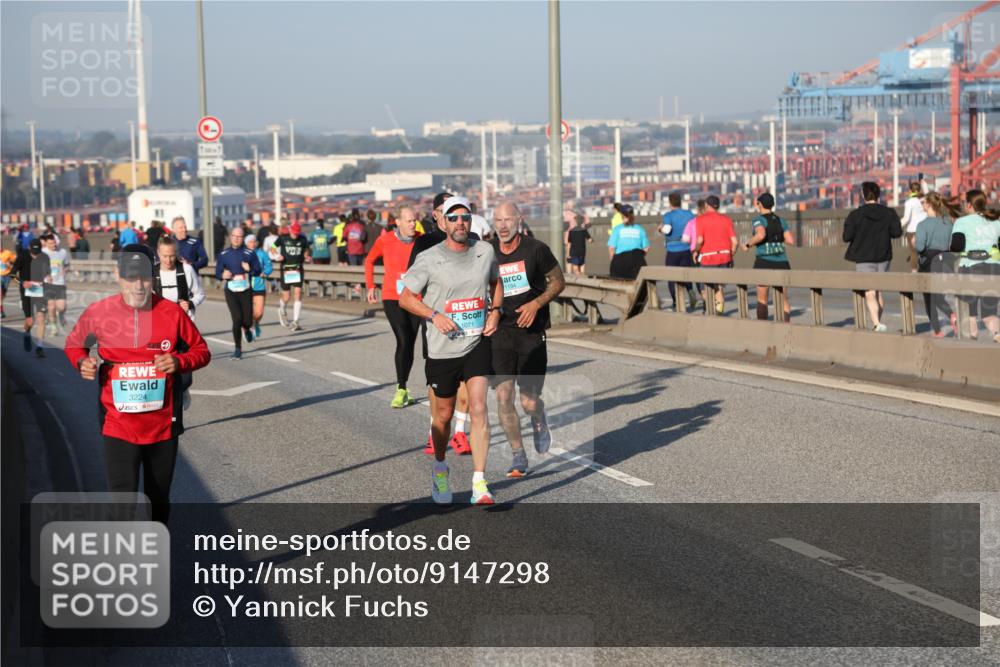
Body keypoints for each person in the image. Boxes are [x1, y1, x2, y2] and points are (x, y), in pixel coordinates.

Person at [64, 244, 211, 524]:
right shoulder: (99, 312)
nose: (138, 285)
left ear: (153, 276)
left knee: (158, 501)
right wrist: (82, 362)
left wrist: (179, 362)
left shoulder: (172, 313)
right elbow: (74, 345)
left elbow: (201, 351)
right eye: (131, 277)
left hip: (162, 426)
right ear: (117, 275)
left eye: (144, 277)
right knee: (123, 503)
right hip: (118, 424)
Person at [400, 196, 503, 505]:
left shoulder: (485, 251)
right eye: (454, 218)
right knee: (443, 417)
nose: (461, 223)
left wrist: (496, 310)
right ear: (443, 222)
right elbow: (406, 298)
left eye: (466, 217)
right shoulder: (430, 258)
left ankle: (479, 483)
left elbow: (496, 282)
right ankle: (441, 467)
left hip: (476, 342)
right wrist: (434, 315)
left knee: (479, 407)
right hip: (442, 348)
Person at [491, 201, 565, 477]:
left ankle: (538, 417)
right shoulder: (486, 252)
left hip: (531, 333)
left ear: (519, 220)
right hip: (500, 332)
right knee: (503, 395)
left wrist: (536, 304)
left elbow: (558, 282)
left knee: (529, 401)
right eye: (498, 220)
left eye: (508, 219)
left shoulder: (536, 249)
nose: (503, 225)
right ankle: (518, 455)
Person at [407, 191, 474, 456]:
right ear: (438, 215)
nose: (458, 220)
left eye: (462, 215)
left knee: (468, 380)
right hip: (437, 322)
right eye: (450, 213)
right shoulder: (425, 243)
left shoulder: (475, 241)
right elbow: (412, 282)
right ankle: (434, 432)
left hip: (469, 320)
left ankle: (459, 432)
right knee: (439, 380)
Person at [366, 206, 423, 408]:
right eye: (408, 220)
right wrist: (371, 286)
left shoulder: (421, 239)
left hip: (416, 298)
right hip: (392, 296)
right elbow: (370, 259)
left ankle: (404, 387)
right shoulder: (385, 240)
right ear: (397, 222)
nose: (412, 224)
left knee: (410, 343)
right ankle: (400, 389)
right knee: (403, 338)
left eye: (414, 220)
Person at [843, 181, 903, 332]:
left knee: (869, 292)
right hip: (884, 256)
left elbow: (846, 236)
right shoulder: (889, 213)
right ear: (878, 195)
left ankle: (877, 324)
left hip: (863, 257)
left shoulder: (855, 215)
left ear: (863, 195)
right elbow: (897, 233)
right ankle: (878, 323)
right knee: (878, 291)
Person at [950, 189, 1000, 342]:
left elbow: (956, 247)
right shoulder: (996, 222)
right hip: (994, 269)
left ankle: (972, 344)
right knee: (988, 314)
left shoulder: (962, 222)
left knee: (970, 313)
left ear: (969, 205)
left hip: (970, 268)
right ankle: (998, 334)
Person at [741, 193, 795, 321]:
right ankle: (786, 326)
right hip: (782, 262)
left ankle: (763, 328)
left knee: (762, 299)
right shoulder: (781, 220)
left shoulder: (759, 220)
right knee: (783, 299)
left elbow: (760, 235)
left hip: (764, 262)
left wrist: (747, 245)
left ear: (759, 204)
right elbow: (790, 240)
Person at [915, 192, 959, 337]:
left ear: (928, 205)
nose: (922, 205)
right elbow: (952, 244)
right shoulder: (948, 223)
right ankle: (952, 315)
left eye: (923, 202)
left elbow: (920, 248)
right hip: (946, 263)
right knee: (939, 296)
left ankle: (938, 331)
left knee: (929, 300)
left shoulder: (922, 225)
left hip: (928, 265)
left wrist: (914, 242)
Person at [215, 227, 262, 359]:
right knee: (237, 319)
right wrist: (223, 275)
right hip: (231, 291)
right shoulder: (224, 254)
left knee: (246, 321)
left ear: (243, 238)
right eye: (234, 236)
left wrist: (249, 269)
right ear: (230, 237)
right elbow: (217, 273)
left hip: (246, 289)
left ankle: (247, 328)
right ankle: (238, 348)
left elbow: (258, 270)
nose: (236, 239)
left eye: (239, 236)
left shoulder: (249, 253)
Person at [694, 196, 738, 315]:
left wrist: (695, 251)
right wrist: (731, 254)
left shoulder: (700, 219)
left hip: (708, 258)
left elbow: (700, 241)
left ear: (707, 206)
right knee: (718, 287)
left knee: (704, 289)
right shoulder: (727, 219)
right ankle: (719, 312)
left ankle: (711, 312)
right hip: (725, 257)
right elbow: (735, 242)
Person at [12, 239, 49, 357]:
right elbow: (13, 274)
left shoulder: (44, 257)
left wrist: (48, 279)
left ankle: (40, 347)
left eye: (38, 251)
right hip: (26, 292)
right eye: (34, 251)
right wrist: (22, 283)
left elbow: (47, 273)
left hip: (40, 291)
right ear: (29, 248)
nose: (36, 254)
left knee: (41, 318)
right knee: (30, 321)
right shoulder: (22, 257)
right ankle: (27, 333)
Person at [154, 236, 205, 319]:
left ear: (176, 253)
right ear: (158, 253)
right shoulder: (152, 272)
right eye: (165, 256)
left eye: (172, 256)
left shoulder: (187, 270)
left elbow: (200, 294)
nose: (168, 260)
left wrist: (190, 304)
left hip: (184, 321)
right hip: (161, 321)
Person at [660, 192, 696, 310]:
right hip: (686, 249)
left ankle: (676, 301)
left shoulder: (668, 216)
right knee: (686, 274)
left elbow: (667, 229)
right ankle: (690, 291)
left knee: (671, 277)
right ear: (680, 202)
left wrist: (660, 228)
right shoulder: (689, 214)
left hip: (673, 249)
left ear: (670, 203)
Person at [273, 221, 310, 330]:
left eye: (297, 233)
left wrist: (307, 256)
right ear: (290, 230)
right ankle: (282, 309)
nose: (295, 235)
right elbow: (273, 248)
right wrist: (277, 255)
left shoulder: (302, 239)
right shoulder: (283, 238)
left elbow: (306, 249)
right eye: (293, 232)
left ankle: (296, 321)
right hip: (286, 270)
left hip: (298, 269)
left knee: (298, 293)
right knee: (286, 296)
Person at [608, 204, 649, 280]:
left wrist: (613, 261)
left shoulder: (617, 229)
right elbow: (646, 248)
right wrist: (639, 257)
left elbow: (611, 248)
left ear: (622, 216)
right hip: (637, 260)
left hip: (620, 261)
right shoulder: (640, 229)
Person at [245, 234, 273, 339]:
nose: (253, 244)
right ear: (246, 243)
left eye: (254, 241)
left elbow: (269, 266)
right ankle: (248, 327)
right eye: (250, 242)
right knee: (248, 311)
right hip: (245, 286)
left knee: (259, 313)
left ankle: (255, 322)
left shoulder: (262, 254)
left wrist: (265, 273)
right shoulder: (242, 254)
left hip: (259, 286)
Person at [41, 234, 70, 334]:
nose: (53, 245)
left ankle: (61, 315)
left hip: (60, 282)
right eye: (50, 243)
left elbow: (67, 265)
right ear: (46, 244)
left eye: (54, 243)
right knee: (51, 306)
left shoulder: (62, 252)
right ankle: (53, 327)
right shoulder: (42, 253)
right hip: (48, 283)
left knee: (62, 306)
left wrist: (65, 270)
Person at [900, 182, 927, 273]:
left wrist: (896, 225)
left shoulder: (909, 202)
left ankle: (914, 274)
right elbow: (927, 193)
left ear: (910, 190)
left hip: (912, 231)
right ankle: (926, 272)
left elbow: (906, 219)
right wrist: (924, 184)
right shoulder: (924, 200)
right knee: (925, 252)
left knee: (914, 254)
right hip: (924, 230)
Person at [1, 239, 16, 319]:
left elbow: (15, 260)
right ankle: (1, 311)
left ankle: (1, 307)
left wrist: (9, 263)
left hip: (7, 275)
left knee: (3, 293)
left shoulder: (7, 253)